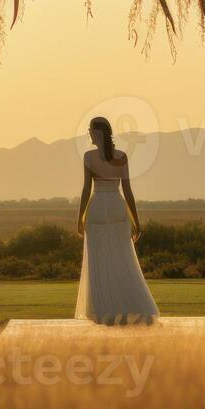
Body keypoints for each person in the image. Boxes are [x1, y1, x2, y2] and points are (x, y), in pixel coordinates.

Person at [75, 116, 159, 325]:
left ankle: (104, 309)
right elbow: (128, 192)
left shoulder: (89, 157)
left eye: (91, 131)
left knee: (98, 261)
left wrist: (80, 217)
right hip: (115, 206)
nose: (89, 135)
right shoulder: (121, 156)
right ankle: (128, 305)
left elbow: (87, 189)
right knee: (123, 259)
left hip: (97, 208)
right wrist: (136, 221)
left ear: (99, 133)